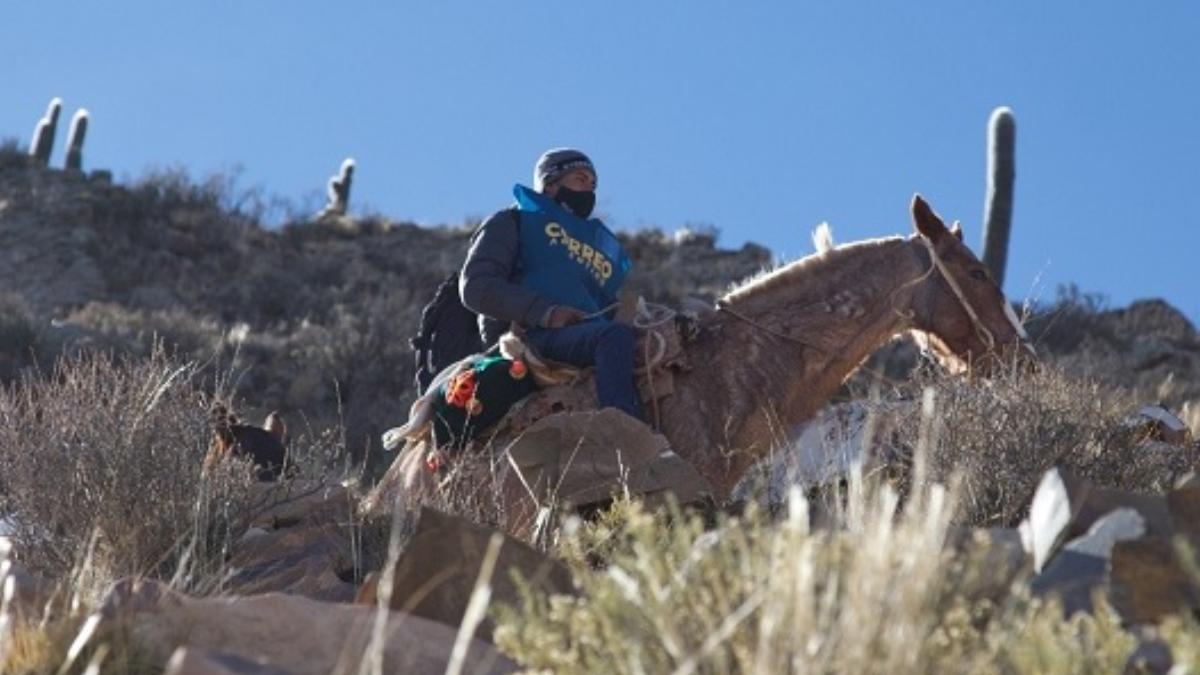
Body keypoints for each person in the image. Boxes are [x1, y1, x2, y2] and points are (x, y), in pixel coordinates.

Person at [459, 148, 642, 420]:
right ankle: (625, 429)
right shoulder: (512, 222)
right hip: (529, 338)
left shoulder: (594, 250)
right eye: (580, 179)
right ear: (550, 185)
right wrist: (547, 313)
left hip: (587, 336)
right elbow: (476, 287)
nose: (589, 190)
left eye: (593, 184)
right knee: (612, 337)